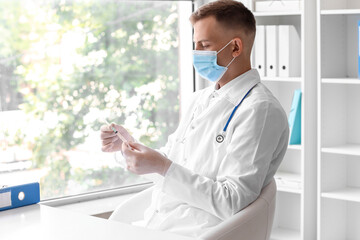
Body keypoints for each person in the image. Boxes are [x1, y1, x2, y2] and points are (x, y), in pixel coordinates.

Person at [100, 0, 289, 237]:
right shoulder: (200, 99)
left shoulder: (260, 111)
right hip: (157, 224)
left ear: (236, 48)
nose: (196, 53)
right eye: (195, 44)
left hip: (200, 233)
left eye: (205, 44)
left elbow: (232, 202)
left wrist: (163, 166)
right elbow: (171, 166)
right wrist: (127, 148)